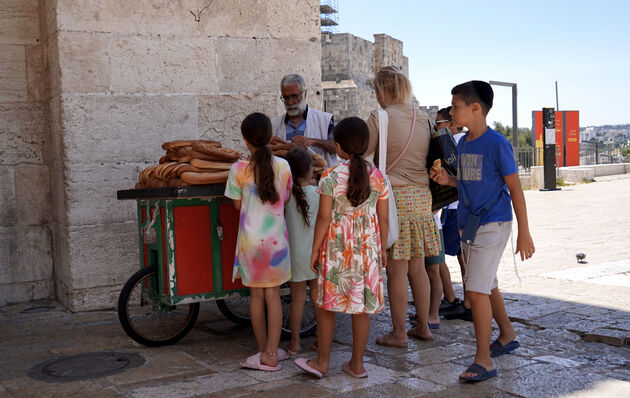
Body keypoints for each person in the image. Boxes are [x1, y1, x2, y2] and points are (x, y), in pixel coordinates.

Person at [430, 81, 535, 382]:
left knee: (474, 290)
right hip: (469, 224)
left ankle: (484, 361)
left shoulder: (497, 144)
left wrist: (524, 232)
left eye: (456, 106)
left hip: (493, 223)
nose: (451, 111)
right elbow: (462, 183)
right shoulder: (462, 144)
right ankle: (507, 334)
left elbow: (515, 189)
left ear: (475, 109)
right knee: (486, 285)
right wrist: (445, 179)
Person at [294, 117, 388, 379]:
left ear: (338, 147)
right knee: (362, 308)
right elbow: (383, 218)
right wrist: (382, 250)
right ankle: (357, 365)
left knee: (326, 306)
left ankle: (322, 362)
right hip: (367, 252)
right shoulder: (379, 177)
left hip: (337, 250)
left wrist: (314, 250)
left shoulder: (330, 176)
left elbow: (324, 218)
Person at [366, 66, 442, 347]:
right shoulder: (422, 117)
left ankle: (398, 333)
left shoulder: (380, 117)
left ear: (383, 90)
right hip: (421, 197)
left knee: (396, 270)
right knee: (418, 267)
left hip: (394, 198)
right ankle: (423, 325)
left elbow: (364, 155)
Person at [225, 112, 293, 371]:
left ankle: (265, 351)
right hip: (276, 243)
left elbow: (236, 204)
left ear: (245, 140)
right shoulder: (284, 167)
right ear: (270, 136)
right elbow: (285, 200)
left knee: (256, 297)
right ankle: (273, 352)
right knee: (274, 296)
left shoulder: (238, 169)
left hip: (250, 244)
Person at [434, 107, 470, 321]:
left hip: (452, 208)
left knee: (443, 255)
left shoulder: (452, 143)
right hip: (464, 208)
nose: (436, 127)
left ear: (449, 123)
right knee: (463, 255)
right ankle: (468, 302)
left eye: (437, 123)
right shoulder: (466, 141)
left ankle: (455, 300)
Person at [283, 147, 319, 356]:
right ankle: (321, 341)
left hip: (294, 254)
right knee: (316, 297)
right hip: (316, 254)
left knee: (297, 299)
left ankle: (295, 343)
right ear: (310, 171)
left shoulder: (287, 197)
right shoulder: (318, 194)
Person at [271, 74, 338, 167]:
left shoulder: (324, 120)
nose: (290, 102)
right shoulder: (274, 125)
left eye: (294, 96)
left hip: (320, 179)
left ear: (305, 94)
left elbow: (337, 147)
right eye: (286, 98)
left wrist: (311, 141)